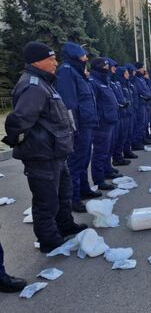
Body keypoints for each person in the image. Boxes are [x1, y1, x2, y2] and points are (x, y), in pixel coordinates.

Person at [3, 41, 87, 252]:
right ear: (38, 62)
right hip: (42, 155)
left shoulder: (44, 83)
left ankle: (65, 226)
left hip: (55, 153)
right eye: (51, 59)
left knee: (63, 193)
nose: (56, 62)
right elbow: (19, 121)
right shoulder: (33, 85)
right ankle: (48, 240)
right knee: (46, 201)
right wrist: (27, 145)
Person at [55, 42, 101, 213]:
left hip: (86, 123)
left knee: (84, 158)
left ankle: (84, 188)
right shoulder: (66, 71)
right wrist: (74, 128)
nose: (86, 58)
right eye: (83, 55)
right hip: (79, 125)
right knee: (75, 162)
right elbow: (68, 103)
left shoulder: (76, 72)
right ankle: (73, 198)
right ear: (75, 55)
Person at [90, 58, 119, 190]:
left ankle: (107, 170)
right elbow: (93, 104)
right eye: (105, 66)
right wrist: (100, 118)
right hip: (102, 123)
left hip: (109, 121)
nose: (108, 68)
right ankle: (99, 179)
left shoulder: (104, 81)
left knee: (108, 149)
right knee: (100, 151)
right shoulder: (94, 82)